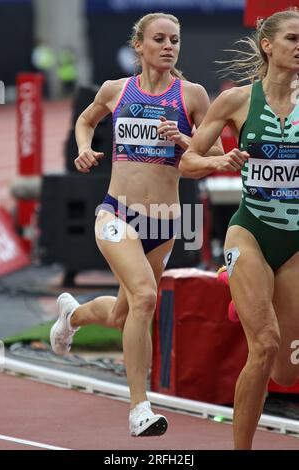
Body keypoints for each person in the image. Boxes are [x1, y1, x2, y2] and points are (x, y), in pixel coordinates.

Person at [50, 12, 222, 437]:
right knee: (146, 297)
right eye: (159, 39)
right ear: (139, 45)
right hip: (116, 215)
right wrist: (85, 148)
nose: (169, 46)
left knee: (124, 313)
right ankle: (139, 408)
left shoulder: (193, 96)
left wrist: (184, 140)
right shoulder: (115, 90)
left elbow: (212, 156)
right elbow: (86, 120)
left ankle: (71, 317)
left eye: (175, 40)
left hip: (164, 222)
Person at [179, 9, 299, 449]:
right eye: (291, 38)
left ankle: (246, 293)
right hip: (251, 230)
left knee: (287, 370)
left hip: (296, 241)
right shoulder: (236, 102)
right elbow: (189, 161)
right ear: (268, 45)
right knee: (264, 346)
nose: (298, 45)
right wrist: (217, 161)